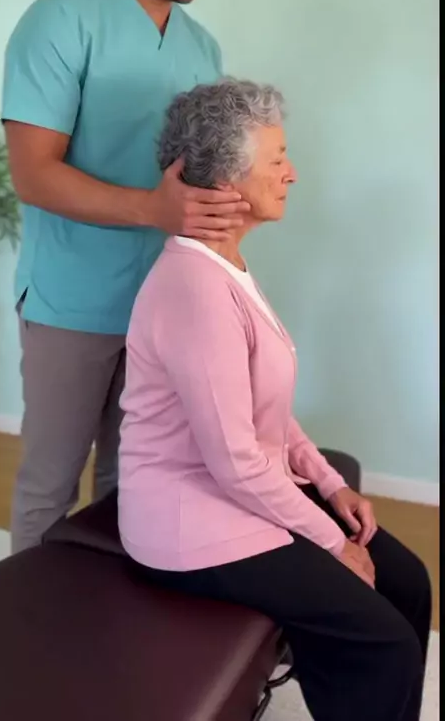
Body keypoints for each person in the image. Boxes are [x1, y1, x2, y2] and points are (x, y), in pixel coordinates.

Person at [118, 78, 431, 721]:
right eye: (278, 159)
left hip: (234, 487)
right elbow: (234, 460)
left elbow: (265, 407)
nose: (293, 173)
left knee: (408, 583)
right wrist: (331, 542)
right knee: (382, 641)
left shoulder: (227, 266)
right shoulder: (195, 288)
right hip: (187, 522)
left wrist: (328, 484)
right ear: (227, 182)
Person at [1, 0, 244, 553]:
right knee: (49, 489)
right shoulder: (59, 22)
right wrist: (155, 210)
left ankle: (110, 620)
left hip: (164, 307)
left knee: (134, 486)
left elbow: (197, 183)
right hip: (70, 304)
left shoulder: (203, 50)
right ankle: (30, 620)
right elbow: (32, 173)